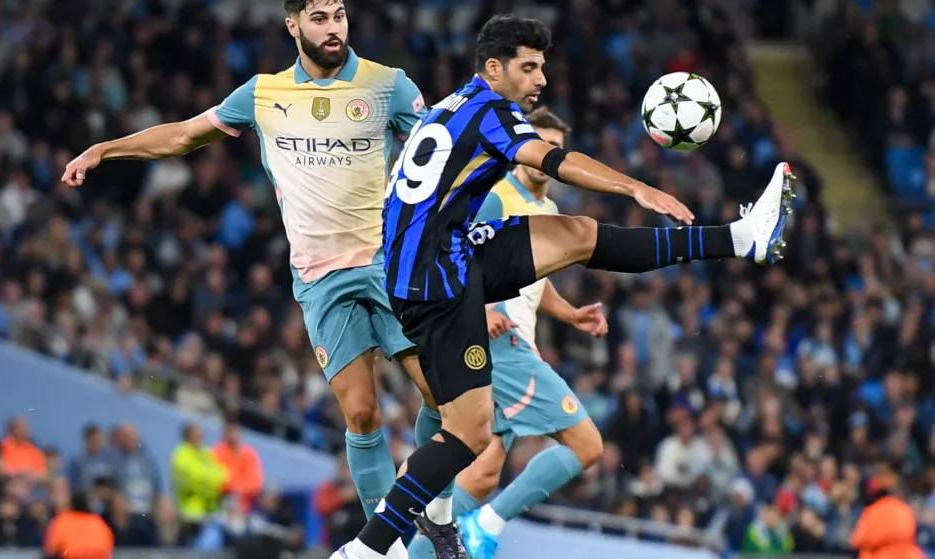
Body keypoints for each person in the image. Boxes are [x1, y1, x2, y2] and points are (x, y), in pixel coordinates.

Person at [334, 14, 793, 559]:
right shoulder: (491, 114)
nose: (541, 80)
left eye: (543, 67)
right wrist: (636, 187)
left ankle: (742, 237)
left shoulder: (454, 105)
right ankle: (365, 550)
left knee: (577, 233)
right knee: (469, 435)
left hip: (447, 253)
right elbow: (554, 159)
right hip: (437, 282)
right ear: (494, 68)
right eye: (529, 68)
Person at [62, 1, 436, 556]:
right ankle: (393, 548)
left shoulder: (390, 86)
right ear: (293, 24)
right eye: (319, 17)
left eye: (339, 15)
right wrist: (105, 149)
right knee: (360, 413)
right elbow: (183, 136)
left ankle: (432, 507)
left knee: (441, 394)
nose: (333, 28)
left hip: (386, 264)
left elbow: (443, 151)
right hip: (318, 280)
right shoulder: (261, 95)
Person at [407, 108, 606, 559]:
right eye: (537, 147)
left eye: (552, 150)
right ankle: (486, 525)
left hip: (512, 341)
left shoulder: (548, 209)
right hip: (499, 343)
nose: (542, 157)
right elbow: (458, 257)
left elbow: (530, 275)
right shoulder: (496, 196)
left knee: (481, 472)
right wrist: (487, 305)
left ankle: (405, 554)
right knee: (587, 444)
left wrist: (571, 314)